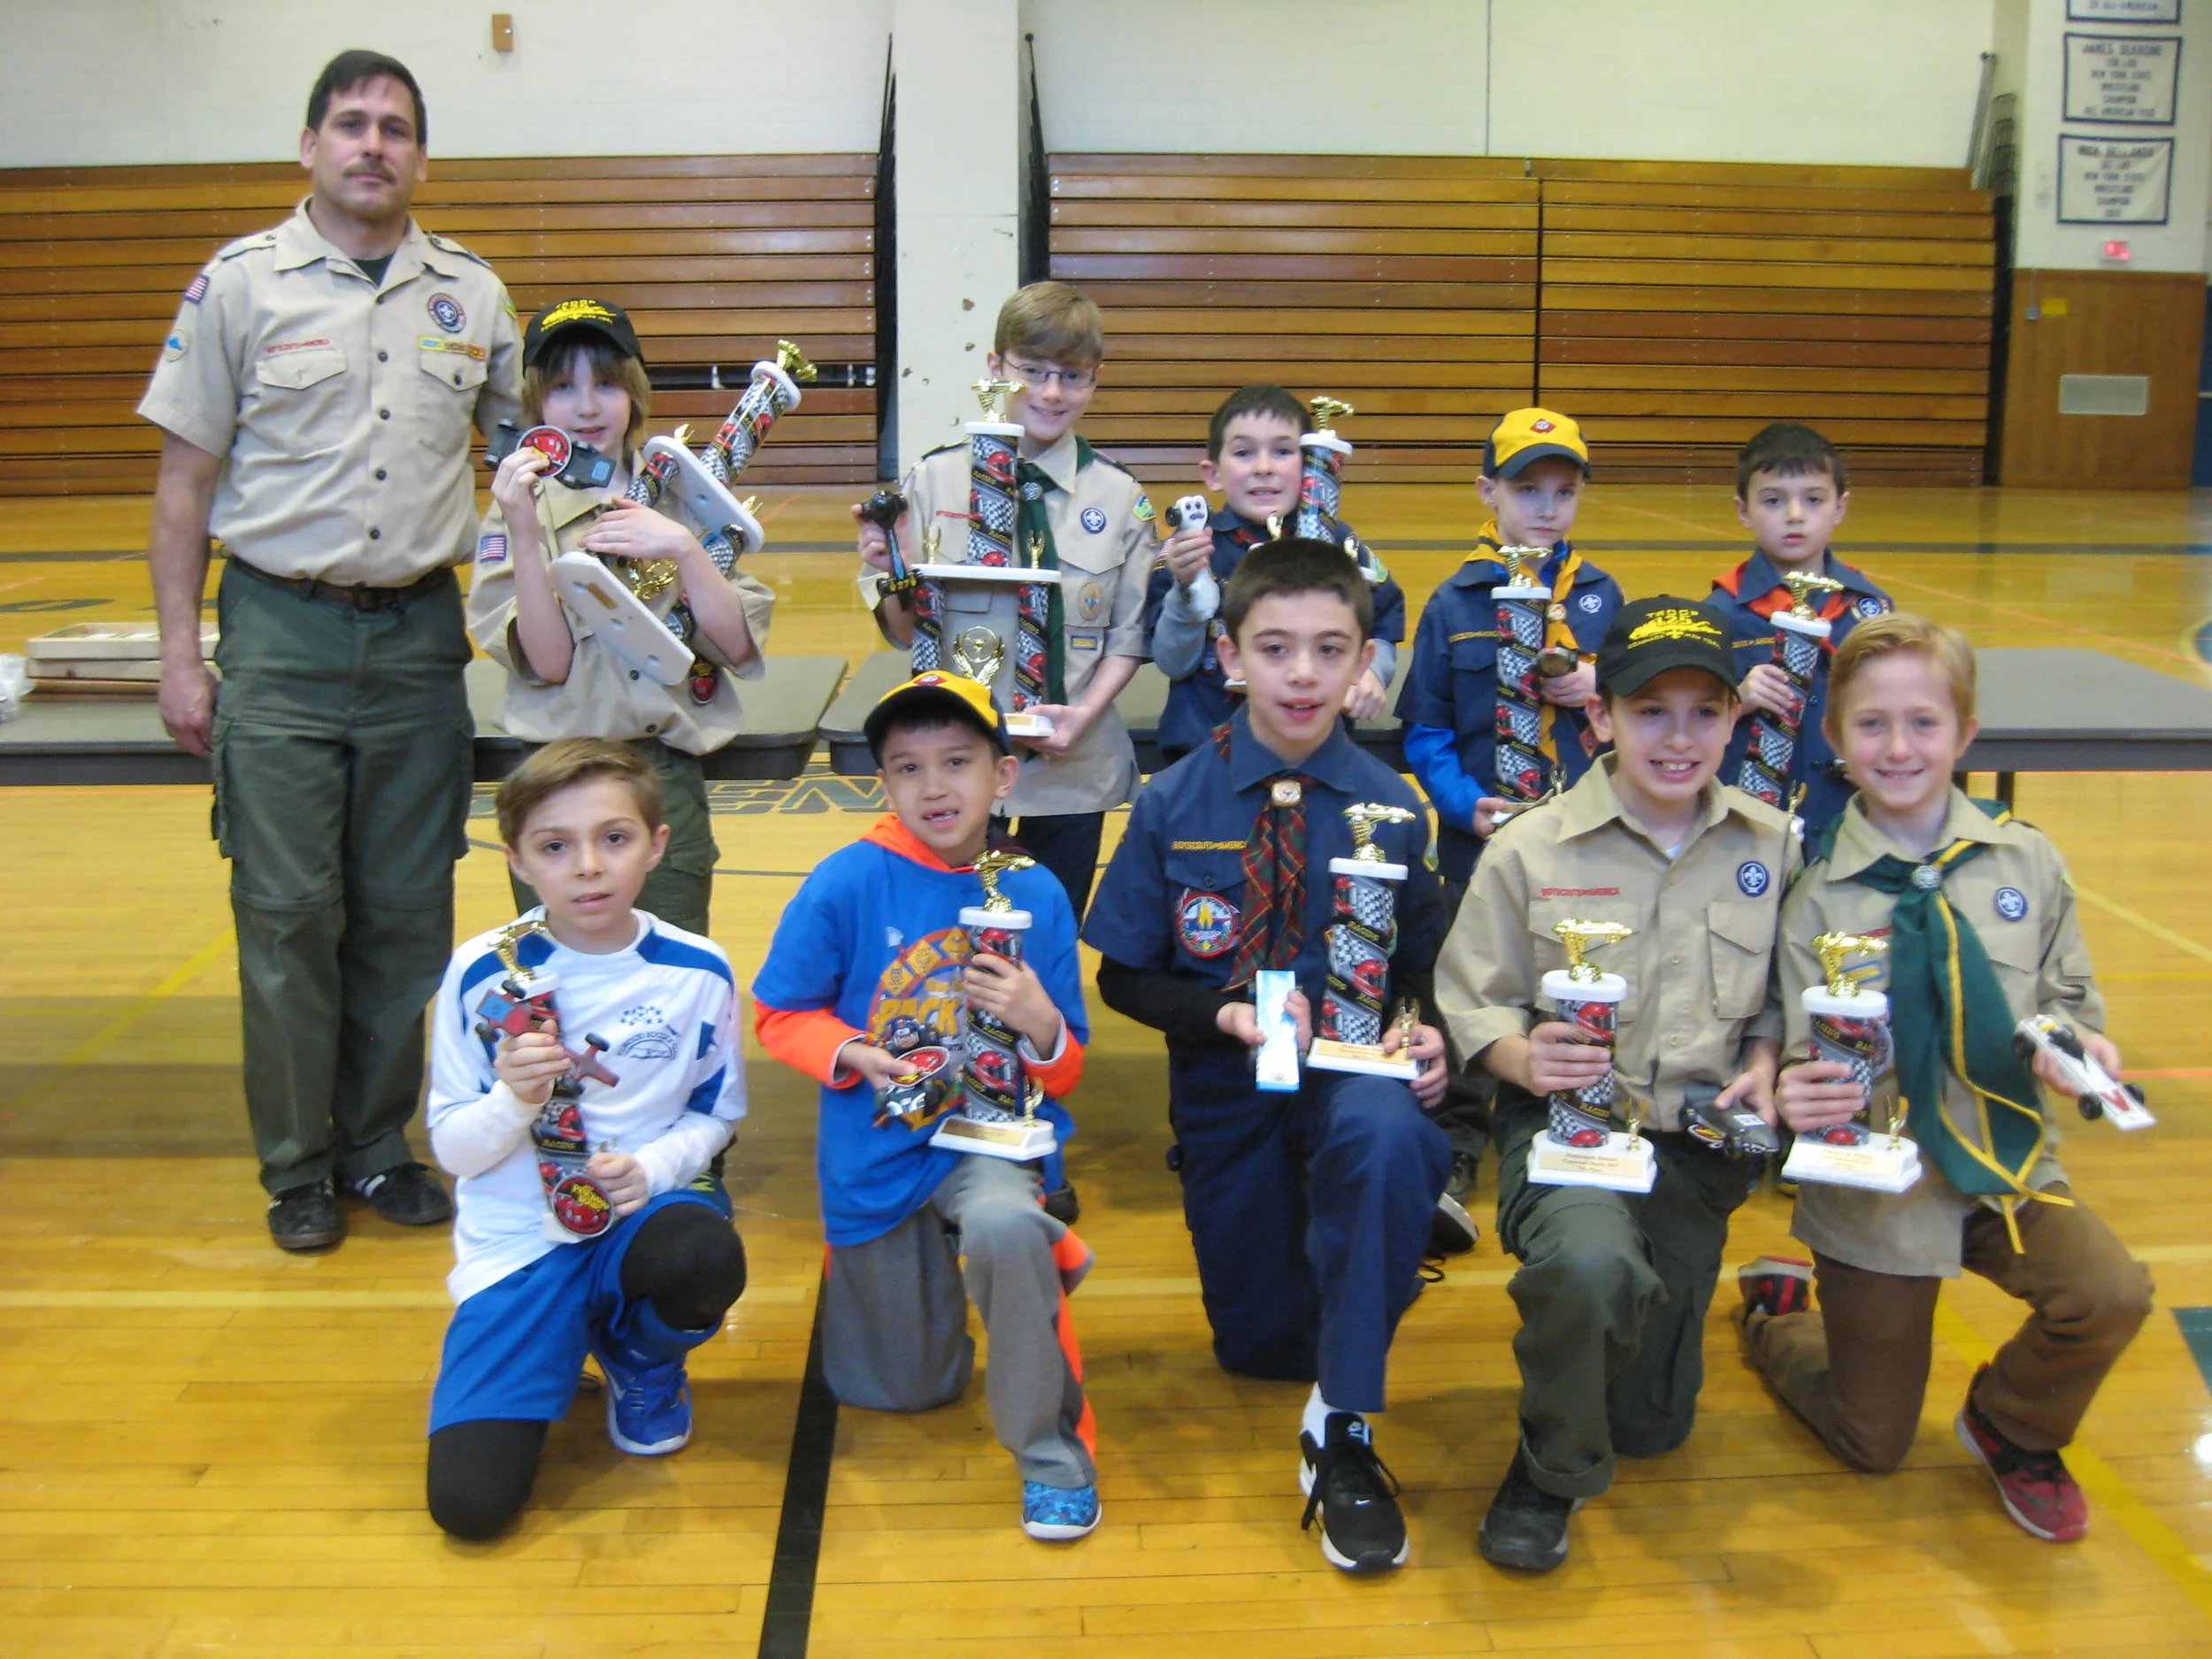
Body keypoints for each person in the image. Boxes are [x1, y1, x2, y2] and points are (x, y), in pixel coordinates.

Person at [137, 50, 522, 1250]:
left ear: (421, 157)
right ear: (309, 146)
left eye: (396, 129)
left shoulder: (471, 294)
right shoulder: (241, 287)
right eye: (350, 125)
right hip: (281, 633)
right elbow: (182, 484)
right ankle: (297, 1162)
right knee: (289, 911)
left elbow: (538, 467)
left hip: (417, 636)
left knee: (406, 911)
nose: (373, 145)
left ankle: (374, 1145)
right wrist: (179, 654)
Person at [1736, 613, 2152, 1544]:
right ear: (1836, 742)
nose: (1898, 746)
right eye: (1871, 725)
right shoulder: (1812, 892)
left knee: (2110, 1295)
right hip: (1876, 1190)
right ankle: (1777, 1313)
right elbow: (1796, 1039)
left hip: (2001, 1166)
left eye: (1923, 723)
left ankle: (2014, 1425)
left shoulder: (2024, 861)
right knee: (1871, 1440)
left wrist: (2079, 1047)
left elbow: (2066, 998)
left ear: (1964, 735)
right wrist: (1799, 1089)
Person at [1086, 540, 1452, 1576]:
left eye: (1328, 650)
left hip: (1349, 1080)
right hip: (1227, 1092)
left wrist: (1427, 1031)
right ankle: (1359, 1264)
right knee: (1258, 1348)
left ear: (1360, 664)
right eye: (1276, 648)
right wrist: (1222, 1020)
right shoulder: (1174, 802)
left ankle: (1340, 1426)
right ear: (1228, 653)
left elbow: (1426, 967)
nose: (1301, 673)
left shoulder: (1392, 803)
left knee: (1386, 1141)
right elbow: (1124, 979)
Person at [1435, 596, 1794, 1572]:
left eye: (1702, 712)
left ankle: (1617, 1382)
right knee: (1587, 1274)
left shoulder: (1773, 846)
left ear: (1734, 721)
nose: (1676, 738)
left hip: (1693, 1153)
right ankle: (1546, 1472)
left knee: (1652, 1426)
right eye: (1649, 711)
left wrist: (1763, 1065)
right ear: (1600, 718)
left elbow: (1782, 1004)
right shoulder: (1530, 847)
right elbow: (1473, 1000)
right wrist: (1519, 1058)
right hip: (1567, 1137)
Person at [751, 671, 1102, 1541]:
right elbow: (778, 1013)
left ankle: (1050, 1449)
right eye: (907, 768)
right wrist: (848, 1053)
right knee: (904, 1390)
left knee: (1004, 1226)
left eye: (957, 762)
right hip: (878, 1144)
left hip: (991, 1139)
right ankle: (923, 1285)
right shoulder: (845, 882)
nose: (934, 787)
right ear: (884, 782)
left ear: (1004, 776)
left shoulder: (1038, 894)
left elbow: (1066, 1070)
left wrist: (1039, 1023)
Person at [422, 740, 749, 1540]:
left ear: (657, 845)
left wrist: (653, 1165)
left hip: (634, 1221)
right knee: (471, 1508)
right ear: (518, 862)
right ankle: (559, 1332)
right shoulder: (480, 974)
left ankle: (641, 1356)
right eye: (555, 846)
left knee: (703, 1254)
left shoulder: (698, 971)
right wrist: (512, 1100)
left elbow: (718, 1113)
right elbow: (453, 1151)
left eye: (614, 837)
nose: (589, 867)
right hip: (518, 1243)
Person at [468, 296, 774, 934]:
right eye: (563, 389)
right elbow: (548, 663)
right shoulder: (517, 509)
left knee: (672, 961)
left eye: (605, 384)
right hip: (555, 771)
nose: (585, 407)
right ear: (535, 406)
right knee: (561, 984)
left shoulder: (682, 495)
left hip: (658, 773)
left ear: (634, 393)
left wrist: (685, 548)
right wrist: (527, 536)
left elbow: (736, 647)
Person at [854, 280, 1159, 918]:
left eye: (1072, 376)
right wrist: (895, 570)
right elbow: (905, 631)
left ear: (1095, 379)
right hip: (955, 772)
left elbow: (1129, 634)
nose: (1051, 392)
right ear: (996, 367)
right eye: (1033, 371)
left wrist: (1084, 715)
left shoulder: (1119, 497)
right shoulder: (934, 479)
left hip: (1068, 767)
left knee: (1048, 932)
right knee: (943, 936)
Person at [1393, 408, 1623, 1245]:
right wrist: (1462, 804)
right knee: (1465, 986)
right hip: (1481, 838)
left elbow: (1634, 723)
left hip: (1581, 841)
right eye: (1529, 490)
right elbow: (1426, 729)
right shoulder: (1455, 601)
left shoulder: (1600, 600)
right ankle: (1456, 1145)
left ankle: (1583, 1118)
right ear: (1489, 491)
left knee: (1572, 974)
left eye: (1565, 492)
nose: (1548, 508)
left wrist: (1599, 681)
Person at [1147, 384, 1405, 763]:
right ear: (1213, 473)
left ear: (1310, 466)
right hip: (1205, 755)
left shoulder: (1340, 544)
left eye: (1283, 451)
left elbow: (1382, 622)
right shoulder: (1190, 549)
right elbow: (1173, 662)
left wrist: (1371, 673)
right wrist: (1186, 590)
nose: (1263, 467)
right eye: (1244, 452)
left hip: (1316, 754)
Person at [1709, 421, 1894, 840]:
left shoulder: (1871, 610)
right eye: (1773, 501)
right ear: (1743, 511)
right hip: (1746, 822)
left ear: (1840, 508)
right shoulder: (1720, 613)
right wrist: (1737, 698)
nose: (1794, 515)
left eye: (1813, 500)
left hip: (1850, 815)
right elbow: (1692, 716)